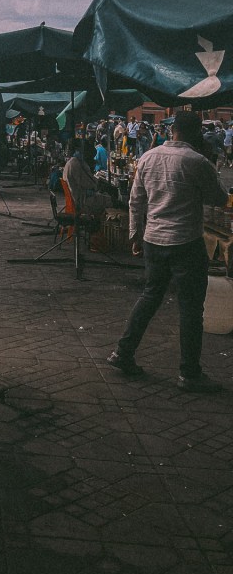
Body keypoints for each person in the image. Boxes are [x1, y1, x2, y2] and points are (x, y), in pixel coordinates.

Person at [107, 111, 228, 392]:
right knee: (190, 307)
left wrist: (134, 235)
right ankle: (189, 373)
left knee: (150, 296)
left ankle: (122, 353)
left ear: (172, 130)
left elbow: (135, 202)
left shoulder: (148, 157)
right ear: (197, 133)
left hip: (154, 240)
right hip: (186, 241)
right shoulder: (197, 162)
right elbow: (220, 199)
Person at [62, 140, 115, 216]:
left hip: (78, 197)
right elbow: (92, 184)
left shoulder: (71, 162)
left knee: (105, 196)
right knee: (111, 200)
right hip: (82, 201)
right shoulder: (77, 164)